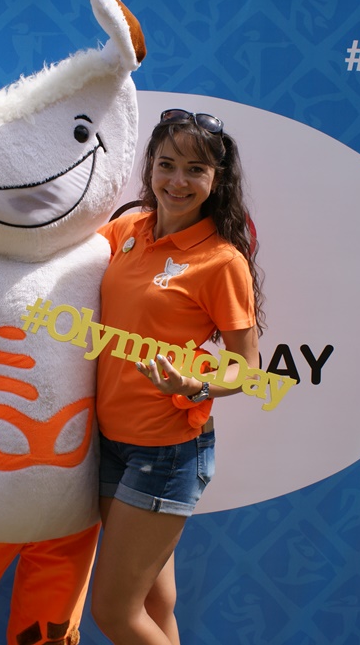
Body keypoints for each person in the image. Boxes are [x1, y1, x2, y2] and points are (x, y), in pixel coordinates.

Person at [89, 108, 265, 645]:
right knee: (153, 602)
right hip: (109, 442)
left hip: (165, 452)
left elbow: (247, 368)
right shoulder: (127, 229)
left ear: (217, 179)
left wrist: (196, 384)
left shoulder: (221, 261)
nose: (177, 181)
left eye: (195, 170)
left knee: (114, 614)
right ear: (150, 167)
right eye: (166, 164)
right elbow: (54, 258)